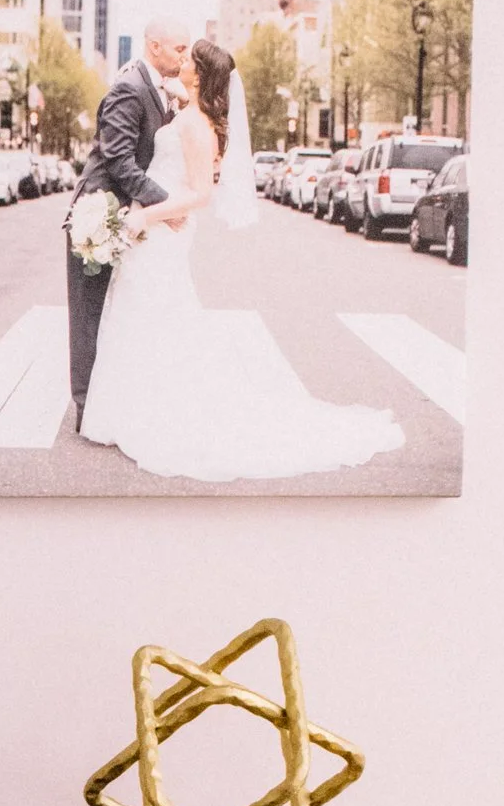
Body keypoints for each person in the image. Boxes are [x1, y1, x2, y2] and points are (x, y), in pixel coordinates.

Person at [79, 32, 406, 479]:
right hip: (155, 225)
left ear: (199, 72)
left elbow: (200, 195)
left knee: (154, 312)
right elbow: (176, 110)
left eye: (189, 58)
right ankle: (129, 407)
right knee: (143, 311)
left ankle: (157, 410)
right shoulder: (189, 111)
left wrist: (145, 217)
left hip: (163, 227)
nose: (182, 60)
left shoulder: (197, 126)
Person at [66, 22, 190, 427]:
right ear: (155, 47)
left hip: (132, 218)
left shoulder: (159, 89)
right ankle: (86, 408)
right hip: (100, 215)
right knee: (89, 313)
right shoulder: (129, 87)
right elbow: (119, 161)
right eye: (178, 48)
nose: (183, 57)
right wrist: (167, 205)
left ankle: (111, 402)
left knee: (114, 312)